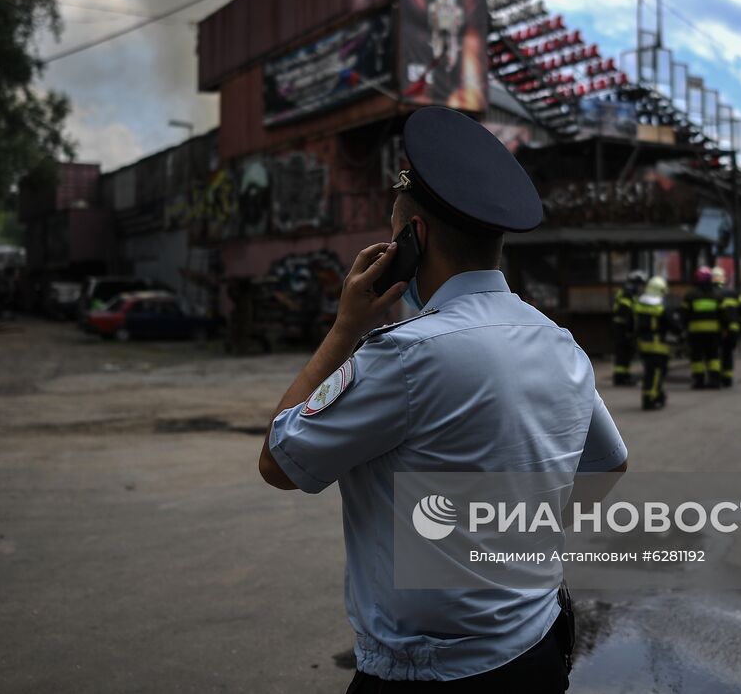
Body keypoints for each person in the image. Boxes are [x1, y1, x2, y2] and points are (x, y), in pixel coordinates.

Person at [258, 106, 628, 690]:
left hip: (431, 674)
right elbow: (608, 464)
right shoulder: (558, 342)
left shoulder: (405, 354)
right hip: (540, 644)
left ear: (413, 237)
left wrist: (343, 331)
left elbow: (279, 462)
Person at [634, 275, 673, 410]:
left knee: (649, 372)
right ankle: (651, 399)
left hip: (642, 345)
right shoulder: (660, 307)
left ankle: (652, 395)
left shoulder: (639, 304)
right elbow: (672, 324)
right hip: (658, 346)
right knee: (656, 373)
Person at [684, 265, 724, 390]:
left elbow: (683, 314)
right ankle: (715, 381)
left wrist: (684, 329)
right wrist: (724, 329)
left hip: (695, 332)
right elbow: (723, 314)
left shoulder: (690, 295)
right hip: (713, 332)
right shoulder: (717, 295)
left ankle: (699, 381)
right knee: (713, 356)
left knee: (697, 357)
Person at [611, 271, 647, 386]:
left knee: (625, 353)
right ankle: (621, 378)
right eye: (640, 284)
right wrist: (629, 329)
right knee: (623, 353)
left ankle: (623, 376)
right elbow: (625, 311)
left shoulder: (628, 292)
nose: (641, 287)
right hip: (623, 328)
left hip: (623, 327)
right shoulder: (628, 293)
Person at [713, 266, 740, 389]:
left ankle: (716, 378)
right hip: (733, 329)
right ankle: (727, 379)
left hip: (718, 329)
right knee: (728, 354)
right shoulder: (733, 292)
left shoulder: (712, 293)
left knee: (716, 354)